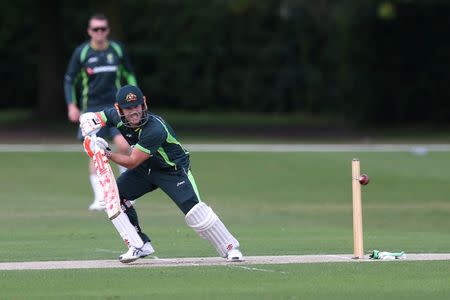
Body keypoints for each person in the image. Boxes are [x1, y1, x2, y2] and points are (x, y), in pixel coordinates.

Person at [79, 85, 244, 263]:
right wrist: (89, 126)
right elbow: (94, 117)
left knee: (196, 212)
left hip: (172, 170)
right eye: (128, 108)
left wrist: (106, 153)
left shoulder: (154, 128)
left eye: (137, 106)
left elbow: (133, 161)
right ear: (119, 109)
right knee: (114, 197)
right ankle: (139, 245)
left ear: (144, 104)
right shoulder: (115, 115)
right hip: (146, 168)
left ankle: (230, 247)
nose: (134, 112)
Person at [64, 13, 137, 211]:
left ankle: (127, 190)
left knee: (123, 145)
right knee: (95, 151)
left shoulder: (117, 50)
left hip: (115, 107)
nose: (99, 32)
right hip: (91, 109)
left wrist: (133, 99)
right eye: (95, 29)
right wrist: (72, 105)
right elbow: (70, 79)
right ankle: (100, 198)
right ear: (89, 31)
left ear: (108, 30)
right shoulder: (82, 52)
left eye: (103, 29)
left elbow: (129, 74)